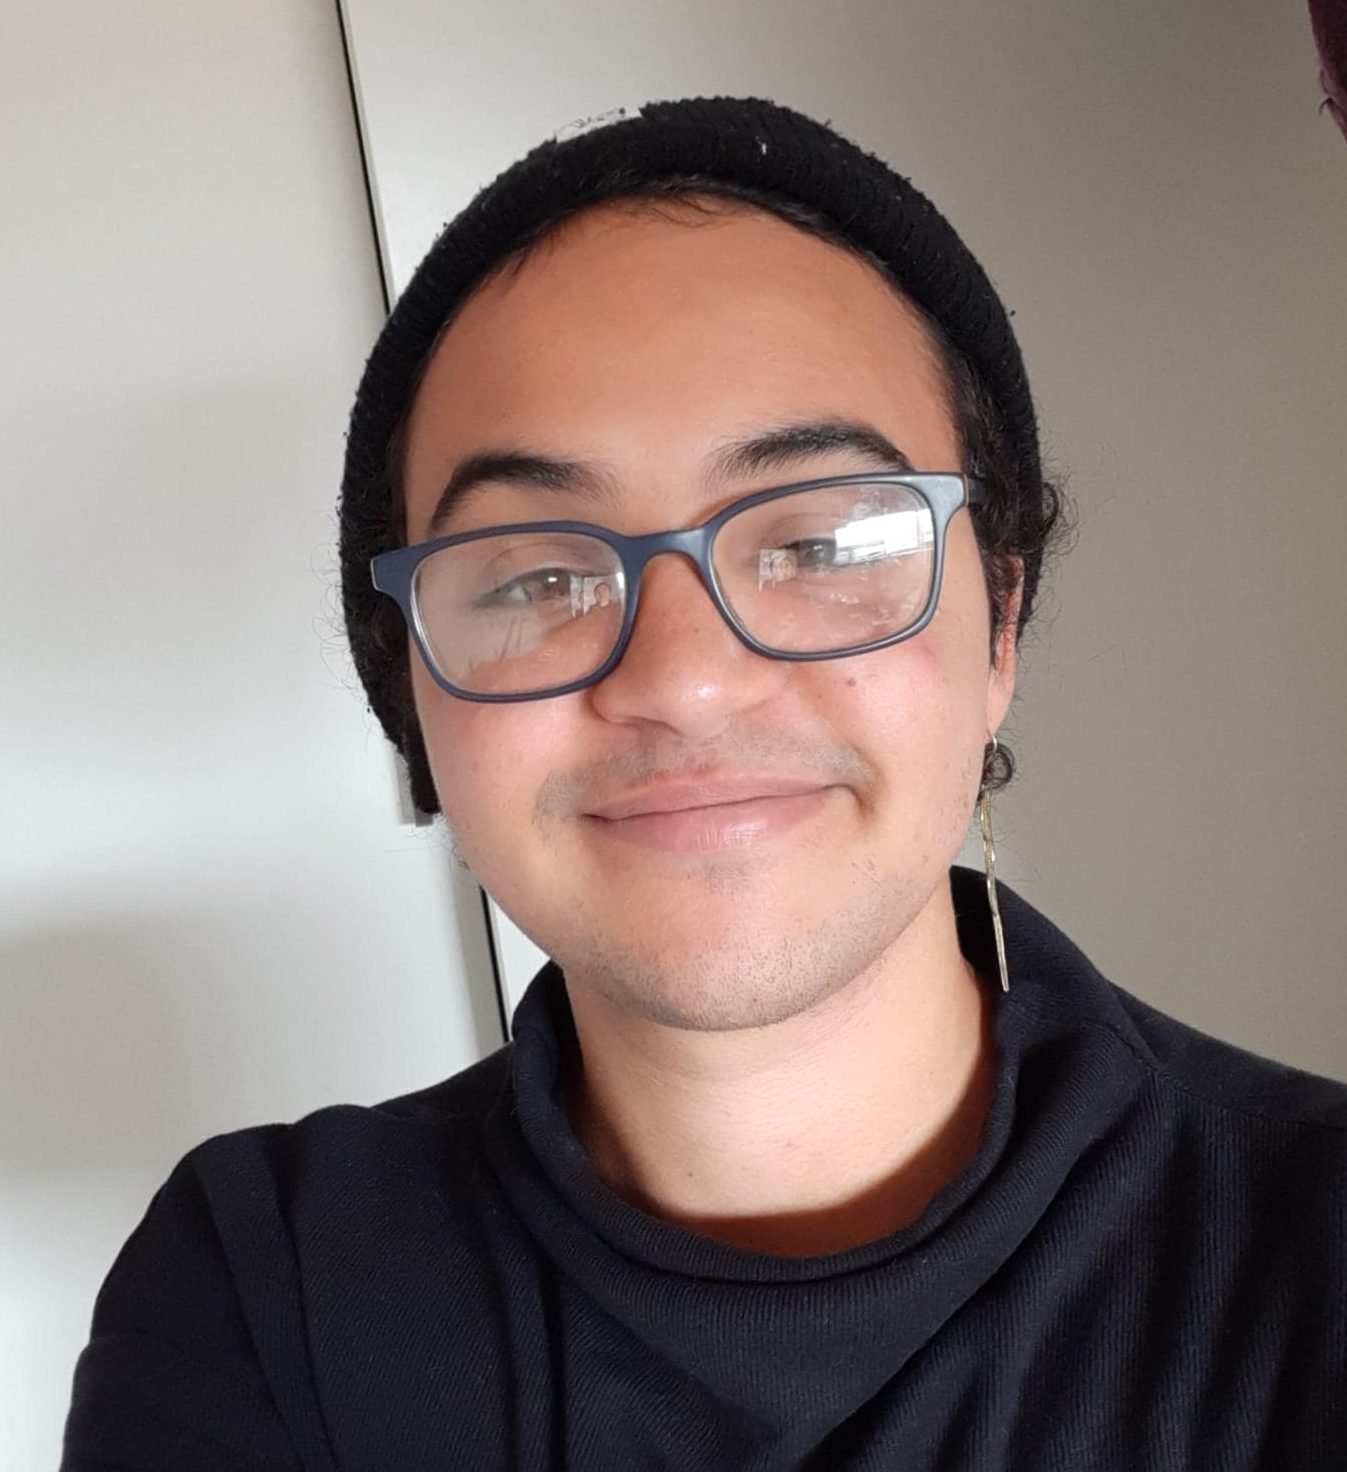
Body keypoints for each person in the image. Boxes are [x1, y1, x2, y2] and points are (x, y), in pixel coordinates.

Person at [61, 95, 1347, 1471]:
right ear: (415, 702)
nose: (683, 677)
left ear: (1000, 627)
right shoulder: (266, 1297)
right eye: (538, 575)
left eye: (822, 540)